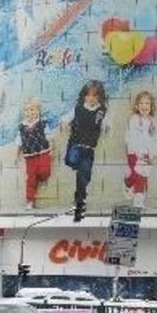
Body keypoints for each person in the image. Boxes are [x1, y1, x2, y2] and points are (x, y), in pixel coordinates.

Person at [62, 80, 108, 223]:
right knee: (73, 162)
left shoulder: (102, 112)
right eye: (88, 95)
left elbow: (106, 126)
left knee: (84, 174)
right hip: (76, 145)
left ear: (100, 97)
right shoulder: (78, 109)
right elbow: (65, 120)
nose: (91, 98)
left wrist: (105, 128)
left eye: (95, 95)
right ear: (84, 96)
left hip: (89, 149)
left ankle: (80, 200)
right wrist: (68, 126)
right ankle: (80, 199)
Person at [125, 90, 157, 210]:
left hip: (147, 155)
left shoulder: (152, 121)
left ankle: (135, 193)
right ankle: (136, 199)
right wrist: (137, 151)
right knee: (138, 176)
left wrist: (153, 153)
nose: (144, 106)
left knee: (144, 178)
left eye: (147, 103)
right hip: (135, 153)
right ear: (137, 106)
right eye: (141, 103)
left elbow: (155, 138)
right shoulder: (134, 119)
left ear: (151, 106)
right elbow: (131, 137)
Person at [17, 98, 53, 210]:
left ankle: (42, 177)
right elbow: (19, 142)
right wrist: (17, 155)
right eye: (27, 110)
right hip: (29, 156)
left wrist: (52, 148)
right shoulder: (21, 127)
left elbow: (49, 136)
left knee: (44, 171)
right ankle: (30, 200)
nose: (29, 112)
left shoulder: (42, 124)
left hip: (43, 152)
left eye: (32, 110)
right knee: (31, 179)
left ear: (38, 111)